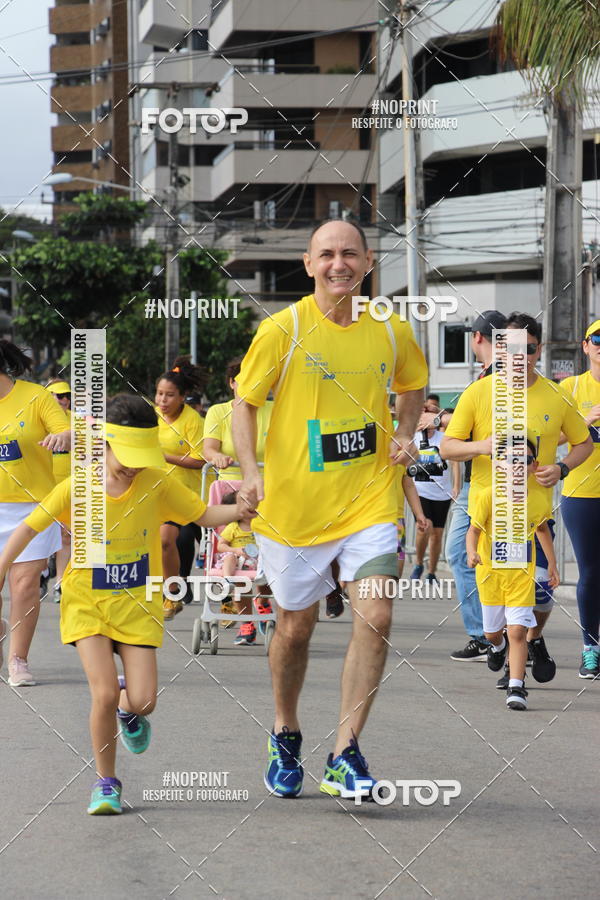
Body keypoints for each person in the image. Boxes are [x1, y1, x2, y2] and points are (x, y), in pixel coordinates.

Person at [233, 218, 428, 798]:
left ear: (368, 261)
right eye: (327, 254)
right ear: (308, 262)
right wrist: (251, 472)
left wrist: (407, 432)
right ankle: (285, 729)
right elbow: (245, 404)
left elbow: (411, 387)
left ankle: (346, 752)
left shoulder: (391, 331)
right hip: (294, 510)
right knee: (295, 629)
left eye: (349, 253)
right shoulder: (283, 329)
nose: (338, 263)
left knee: (378, 616)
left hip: (369, 499)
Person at [0, 393, 247, 814]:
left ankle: (129, 713)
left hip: (138, 604)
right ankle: (107, 782)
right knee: (102, 695)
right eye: (125, 454)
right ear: (106, 443)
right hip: (87, 602)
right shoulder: (77, 486)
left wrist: (241, 510)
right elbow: (26, 529)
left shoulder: (156, 481)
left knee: (144, 700)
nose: (133, 464)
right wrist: (2, 568)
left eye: (140, 454)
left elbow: (202, 517)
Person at [442, 311, 592, 683]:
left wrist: (561, 469)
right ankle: (502, 649)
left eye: (527, 348)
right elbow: (447, 447)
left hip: (533, 513)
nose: (519, 356)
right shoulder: (479, 393)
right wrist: (482, 445)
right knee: (499, 612)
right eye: (510, 348)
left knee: (541, 592)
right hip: (490, 515)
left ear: (537, 350)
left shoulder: (555, 395)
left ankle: (531, 639)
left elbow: (583, 443)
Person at [466, 439, 560, 710]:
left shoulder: (538, 498)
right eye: (511, 459)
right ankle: (496, 648)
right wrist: (472, 553)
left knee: (518, 631)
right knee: (492, 632)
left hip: (521, 577)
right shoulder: (488, 496)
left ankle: (516, 687)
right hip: (491, 577)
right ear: (498, 465)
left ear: (535, 466)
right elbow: (473, 530)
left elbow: (542, 530)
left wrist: (552, 565)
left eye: (526, 460)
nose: (518, 465)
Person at [437, 310, 507, 661]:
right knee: (491, 556)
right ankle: (501, 632)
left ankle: (488, 635)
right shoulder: (497, 375)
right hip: (488, 480)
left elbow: (473, 428)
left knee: (462, 554)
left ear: (477, 338)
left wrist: (440, 419)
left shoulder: (494, 376)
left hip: (484, 481)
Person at [0, 341, 70, 686]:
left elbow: (65, 430)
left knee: (25, 584)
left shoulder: (36, 397)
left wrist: (64, 437)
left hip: (33, 507)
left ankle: (18, 659)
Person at [560, 319, 600, 678]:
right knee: (590, 573)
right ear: (585, 346)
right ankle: (590, 647)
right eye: (597, 339)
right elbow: (552, 437)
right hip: (582, 493)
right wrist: (584, 421)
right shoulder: (571, 387)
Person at [155, 357, 206, 619]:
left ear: (183, 397)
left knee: (201, 545)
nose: (162, 400)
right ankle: (171, 593)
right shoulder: (152, 417)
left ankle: (229, 597)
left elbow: (200, 460)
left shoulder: (192, 420)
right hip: (159, 493)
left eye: (169, 395)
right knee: (165, 541)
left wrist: (164, 456)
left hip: (189, 494)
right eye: (160, 394)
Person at [202, 356, 272, 484]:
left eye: (255, 381)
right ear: (231, 383)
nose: (250, 387)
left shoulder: (276, 410)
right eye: (244, 381)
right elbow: (209, 449)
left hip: (269, 487)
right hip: (230, 489)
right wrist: (217, 456)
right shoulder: (217, 412)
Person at [410, 421, 460, 584]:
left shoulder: (444, 438)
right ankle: (418, 563)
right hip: (420, 491)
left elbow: (454, 462)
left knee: (437, 535)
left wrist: (456, 486)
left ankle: (431, 572)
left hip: (441, 493)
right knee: (425, 526)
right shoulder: (414, 438)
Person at [216, 490, 265, 644]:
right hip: (238, 559)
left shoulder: (261, 525)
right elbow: (221, 545)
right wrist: (235, 550)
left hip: (257, 560)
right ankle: (228, 581)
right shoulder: (233, 527)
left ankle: (263, 605)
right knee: (230, 560)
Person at [46, 379, 73, 603]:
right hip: (40, 487)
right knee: (39, 534)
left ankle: (60, 581)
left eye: (67, 396)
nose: (64, 400)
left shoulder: (79, 421)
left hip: (70, 487)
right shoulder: (38, 420)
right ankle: (44, 570)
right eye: (59, 395)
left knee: (65, 535)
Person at [396, 464, 431, 578]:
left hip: (395, 519)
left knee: (399, 556)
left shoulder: (401, 452)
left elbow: (409, 484)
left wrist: (419, 514)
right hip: (366, 518)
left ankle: (389, 591)